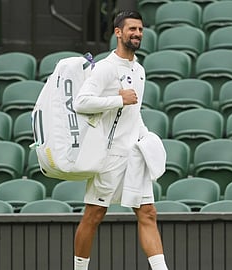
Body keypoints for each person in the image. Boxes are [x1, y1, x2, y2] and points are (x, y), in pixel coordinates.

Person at [72, 11, 169, 270]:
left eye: (140, 29)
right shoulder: (105, 67)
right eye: (132, 29)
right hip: (109, 156)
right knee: (94, 215)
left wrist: (145, 135)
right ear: (118, 32)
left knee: (148, 212)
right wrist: (118, 99)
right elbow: (80, 102)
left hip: (134, 154)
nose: (137, 34)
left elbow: (133, 114)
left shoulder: (139, 70)